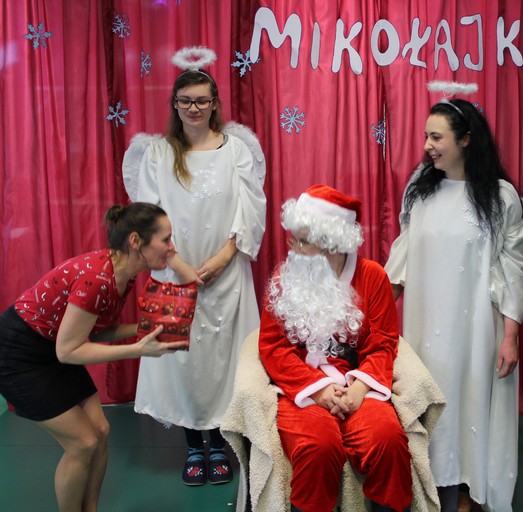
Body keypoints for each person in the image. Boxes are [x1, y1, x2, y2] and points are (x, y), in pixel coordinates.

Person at [385, 98, 523, 512]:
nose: (427, 145)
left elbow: (513, 270)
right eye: (426, 136)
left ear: (466, 140)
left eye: (436, 137)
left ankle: (469, 489)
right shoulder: (421, 190)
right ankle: (429, 484)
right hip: (425, 324)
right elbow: (402, 257)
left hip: (476, 330)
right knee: (430, 401)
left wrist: (510, 336)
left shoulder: (499, 197)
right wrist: (374, 312)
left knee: (469, 402)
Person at [128, 55, 267, 485]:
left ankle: (221, 443)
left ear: (214, 104)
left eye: (202, 101)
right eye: (186, 101)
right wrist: (179, 264)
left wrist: (225, 256)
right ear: (175, 104)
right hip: (175, 272)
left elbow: (251, 206)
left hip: (226, 274)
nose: (194, 108)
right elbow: (148, 214)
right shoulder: (158, 153)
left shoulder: (236, 150)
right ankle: (193, 446)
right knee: (183, 360)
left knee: (225, 358)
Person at [0, 203, 188, 512]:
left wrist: (146, 327)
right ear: (136, 241)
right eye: (166, 239)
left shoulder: (123, 275)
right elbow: (68, 350)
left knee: (100, 431)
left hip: (53, 345)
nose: (172, 248)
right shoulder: (98, 279)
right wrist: (138, 349)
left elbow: (96, 333)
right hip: (19, 353)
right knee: (82, 443)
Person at [259, 185, 412, 512]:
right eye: (294, 239)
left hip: (358, 385)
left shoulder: (372, 277)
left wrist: (359, 389)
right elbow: (273, 346)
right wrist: (317, 390)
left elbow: (383, 342)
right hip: (303, 386)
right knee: (318, 446)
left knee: (388, 441)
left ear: (332, 243)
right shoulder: (286, 277)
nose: (294, 249)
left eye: (304, 242)